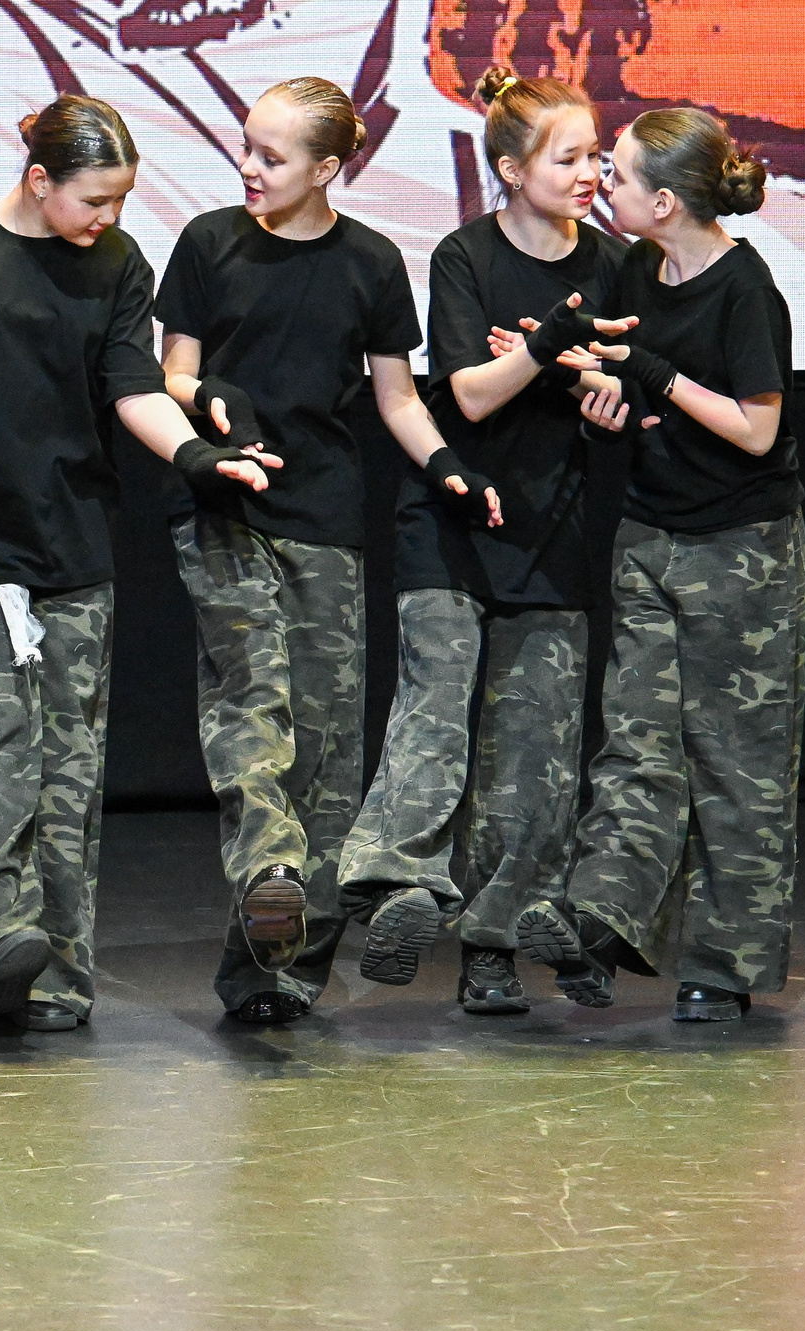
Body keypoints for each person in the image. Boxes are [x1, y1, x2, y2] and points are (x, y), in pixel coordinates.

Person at [0, 94, 273, 1032]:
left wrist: (198, 458)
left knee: (69, 771)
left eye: (121, 202)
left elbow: (133, 386)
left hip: (76, 543)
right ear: (38, 179)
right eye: (94, 201)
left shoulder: (118, 264)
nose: (109, 220)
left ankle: (53, 978)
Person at [153, 76, 467, 1025]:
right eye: (246, 146)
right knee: (253, 707)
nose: (249, 166)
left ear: (329, 168)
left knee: (328, 751)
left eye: (273, 155)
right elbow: (171, 373)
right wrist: (209, 409)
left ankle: (280, 974)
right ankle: (269, 870)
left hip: (326, 517)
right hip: (225, 509)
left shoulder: (371, 262)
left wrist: (450, 465)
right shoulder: (209, 243)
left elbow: (397, 397)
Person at [336, 69, 637, 1014]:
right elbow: (465, 393)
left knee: (536, 749)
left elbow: (629, 390)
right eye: (569, 157)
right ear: (510, 169)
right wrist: (546, 348)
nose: (590, 172)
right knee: (433, 713)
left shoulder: (616, 266)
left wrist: (606, 391)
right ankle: (401, 887)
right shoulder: (464, 257)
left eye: (596, 155)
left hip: (554, 523)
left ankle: (495, 943)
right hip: (457, 518)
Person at [513, 107, 805, 1024]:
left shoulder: (744, 291)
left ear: (667, 200)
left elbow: (757, 430)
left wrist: (652, 376)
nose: (603, 181)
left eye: (621, 173)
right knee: (637, 740)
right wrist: (593, 385)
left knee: (735, 758)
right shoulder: (638, 267)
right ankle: (601, 921)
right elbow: (629, 380)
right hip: (648, 533)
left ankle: (723, 965)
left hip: (741, 552)